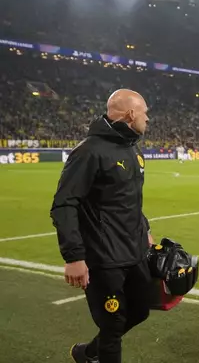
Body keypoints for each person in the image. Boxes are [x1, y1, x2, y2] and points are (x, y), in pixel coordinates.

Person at [50, 89, 154, 363]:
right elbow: (64, 204)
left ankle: (86, 354)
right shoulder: (88, 152)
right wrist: (74, 257)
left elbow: (128, 201)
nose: (148, 118)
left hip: (133, 250)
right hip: (103, 257)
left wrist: (145, 229)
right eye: (145, 112)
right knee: (112, 326)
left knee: (141, 310)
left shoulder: (133, 148)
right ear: (131, 114)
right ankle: (95, 354)